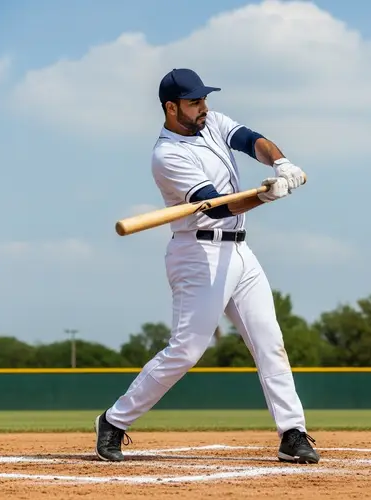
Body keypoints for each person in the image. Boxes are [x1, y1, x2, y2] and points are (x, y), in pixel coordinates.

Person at [94, 68, 320, 465]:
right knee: (186, 350)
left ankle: (292, 432)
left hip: (240, 252)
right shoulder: (167, 156)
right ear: (170, 107)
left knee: (270, 342)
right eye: (194, 102)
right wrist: (263, 198)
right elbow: (216, 206)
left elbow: (251, 141)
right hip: (198, 254)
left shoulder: (211, 122)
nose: (204, 107)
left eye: (203, 100)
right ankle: (114, 421)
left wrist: (281, 163)